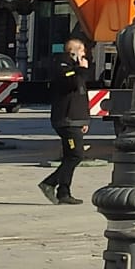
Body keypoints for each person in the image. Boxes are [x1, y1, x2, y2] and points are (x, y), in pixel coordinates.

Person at [39, 38, 90, 205]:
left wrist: (84, 120)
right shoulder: (62, 65)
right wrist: (81, 70)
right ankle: (49, 183)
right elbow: (70, 84)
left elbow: (80, 95)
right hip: (66, 120)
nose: (85, 55)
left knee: (70, 156)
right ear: (73, 52)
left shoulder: (75, 69)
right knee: (76, 155)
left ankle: (64, 192)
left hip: (75, 119)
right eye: (82, 51)